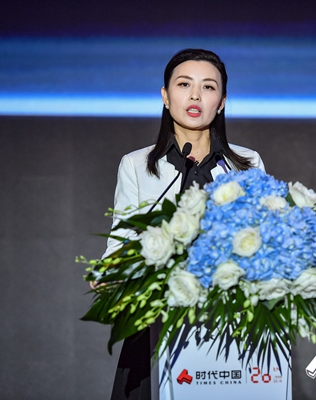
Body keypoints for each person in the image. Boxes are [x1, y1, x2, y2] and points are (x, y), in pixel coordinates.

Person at [104, 48, 265, 400]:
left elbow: (262, 243)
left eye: (208, 87)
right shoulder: (136, 166)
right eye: (184, 84)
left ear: (221, 102)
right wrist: (110, 273)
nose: (195, 96)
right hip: (155, 330)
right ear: (165, 96)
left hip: (228, 330)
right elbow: (120, 245)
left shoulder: (247, 164)